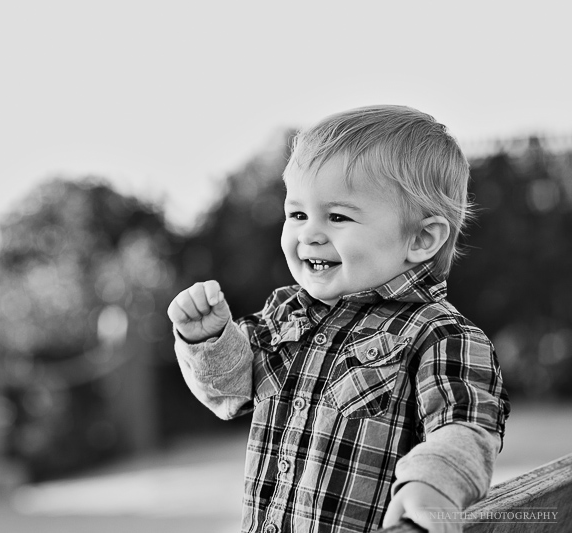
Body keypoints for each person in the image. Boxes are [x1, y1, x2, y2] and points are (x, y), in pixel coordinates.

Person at [167, 105, 510, 533]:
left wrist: (433, 485)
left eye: (337, 217)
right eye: (297, 214)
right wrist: (210, 339)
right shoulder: (287, 314)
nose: (309, 233)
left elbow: (464, 426)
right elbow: (231, 394)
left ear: (421, 238)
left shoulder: (438, 335)